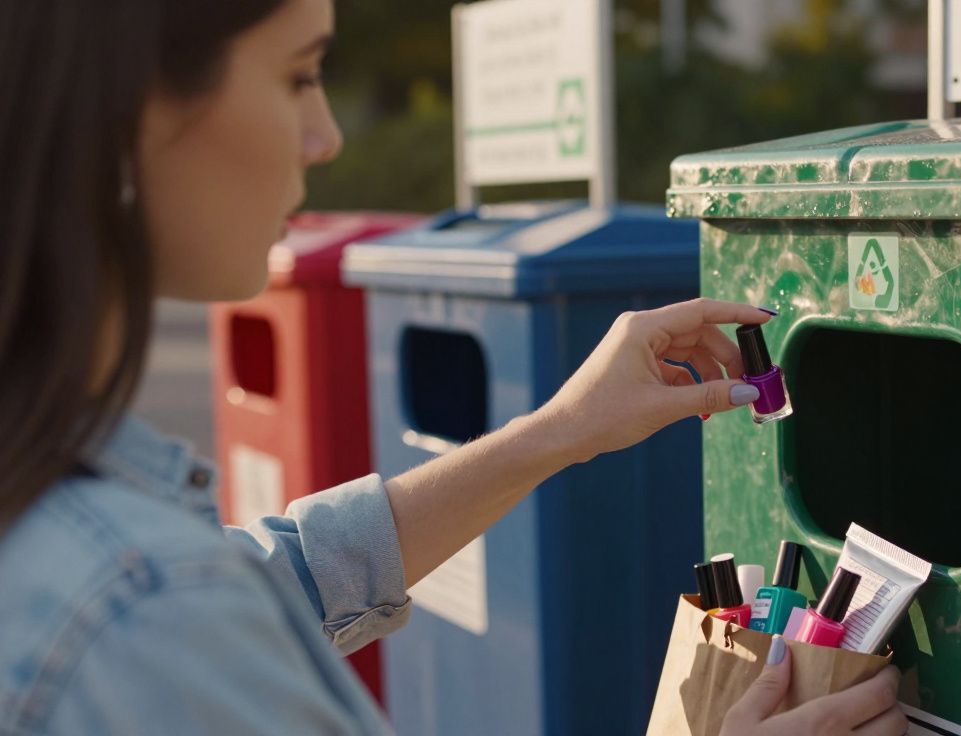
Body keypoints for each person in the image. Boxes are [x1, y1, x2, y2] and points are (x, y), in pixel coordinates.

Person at [0, 0, 906, 733]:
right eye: (299, 75)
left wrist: (558, 433)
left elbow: (284, 576)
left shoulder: (70, 528)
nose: (326, 137)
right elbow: (195, 603)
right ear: (122, 109)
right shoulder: (139, 610)